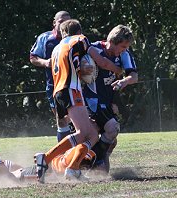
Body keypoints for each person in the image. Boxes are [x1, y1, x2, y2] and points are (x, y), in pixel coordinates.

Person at [34, 19, 123, 183]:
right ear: (79, 30)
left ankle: (69, 167)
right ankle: (49, 160)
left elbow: (68, 66)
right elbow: (101, 61)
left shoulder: (56, 48)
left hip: (58, 92)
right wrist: (117, 69)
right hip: (71, 89)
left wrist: (81, 70)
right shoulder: (81, 39)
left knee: (89, 134)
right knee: (89, 134)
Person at [82, 25, 138, 174]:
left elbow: (134, 76)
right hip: (90, 101)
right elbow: (100, 63)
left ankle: (95, 161)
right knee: (108, 130)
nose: (124, 50)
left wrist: (124, 81)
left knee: (111, 141)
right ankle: (88, 161)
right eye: (122, 46)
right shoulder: (92, 48)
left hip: (106, 102)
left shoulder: (124, 55)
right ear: (113, 41)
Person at [0, 136, 96, 182]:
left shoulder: (81, 144)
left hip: (45, 168)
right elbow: (82, 151)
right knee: (10, 180)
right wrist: (74, 168)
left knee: (20, 170)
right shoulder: (85, 148)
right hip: (46, 173)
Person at [30, 11, 73, 142]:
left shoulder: (75, 39)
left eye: (67, 22)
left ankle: (79, 153)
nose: (64, 25)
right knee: (61, 120)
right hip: (54, 86)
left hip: (74, 84)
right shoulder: (45, 38)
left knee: (76, 120)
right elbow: (33, 57)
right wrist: (45, 62)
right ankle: (62, 153)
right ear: (54, 23)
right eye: (61, 21)